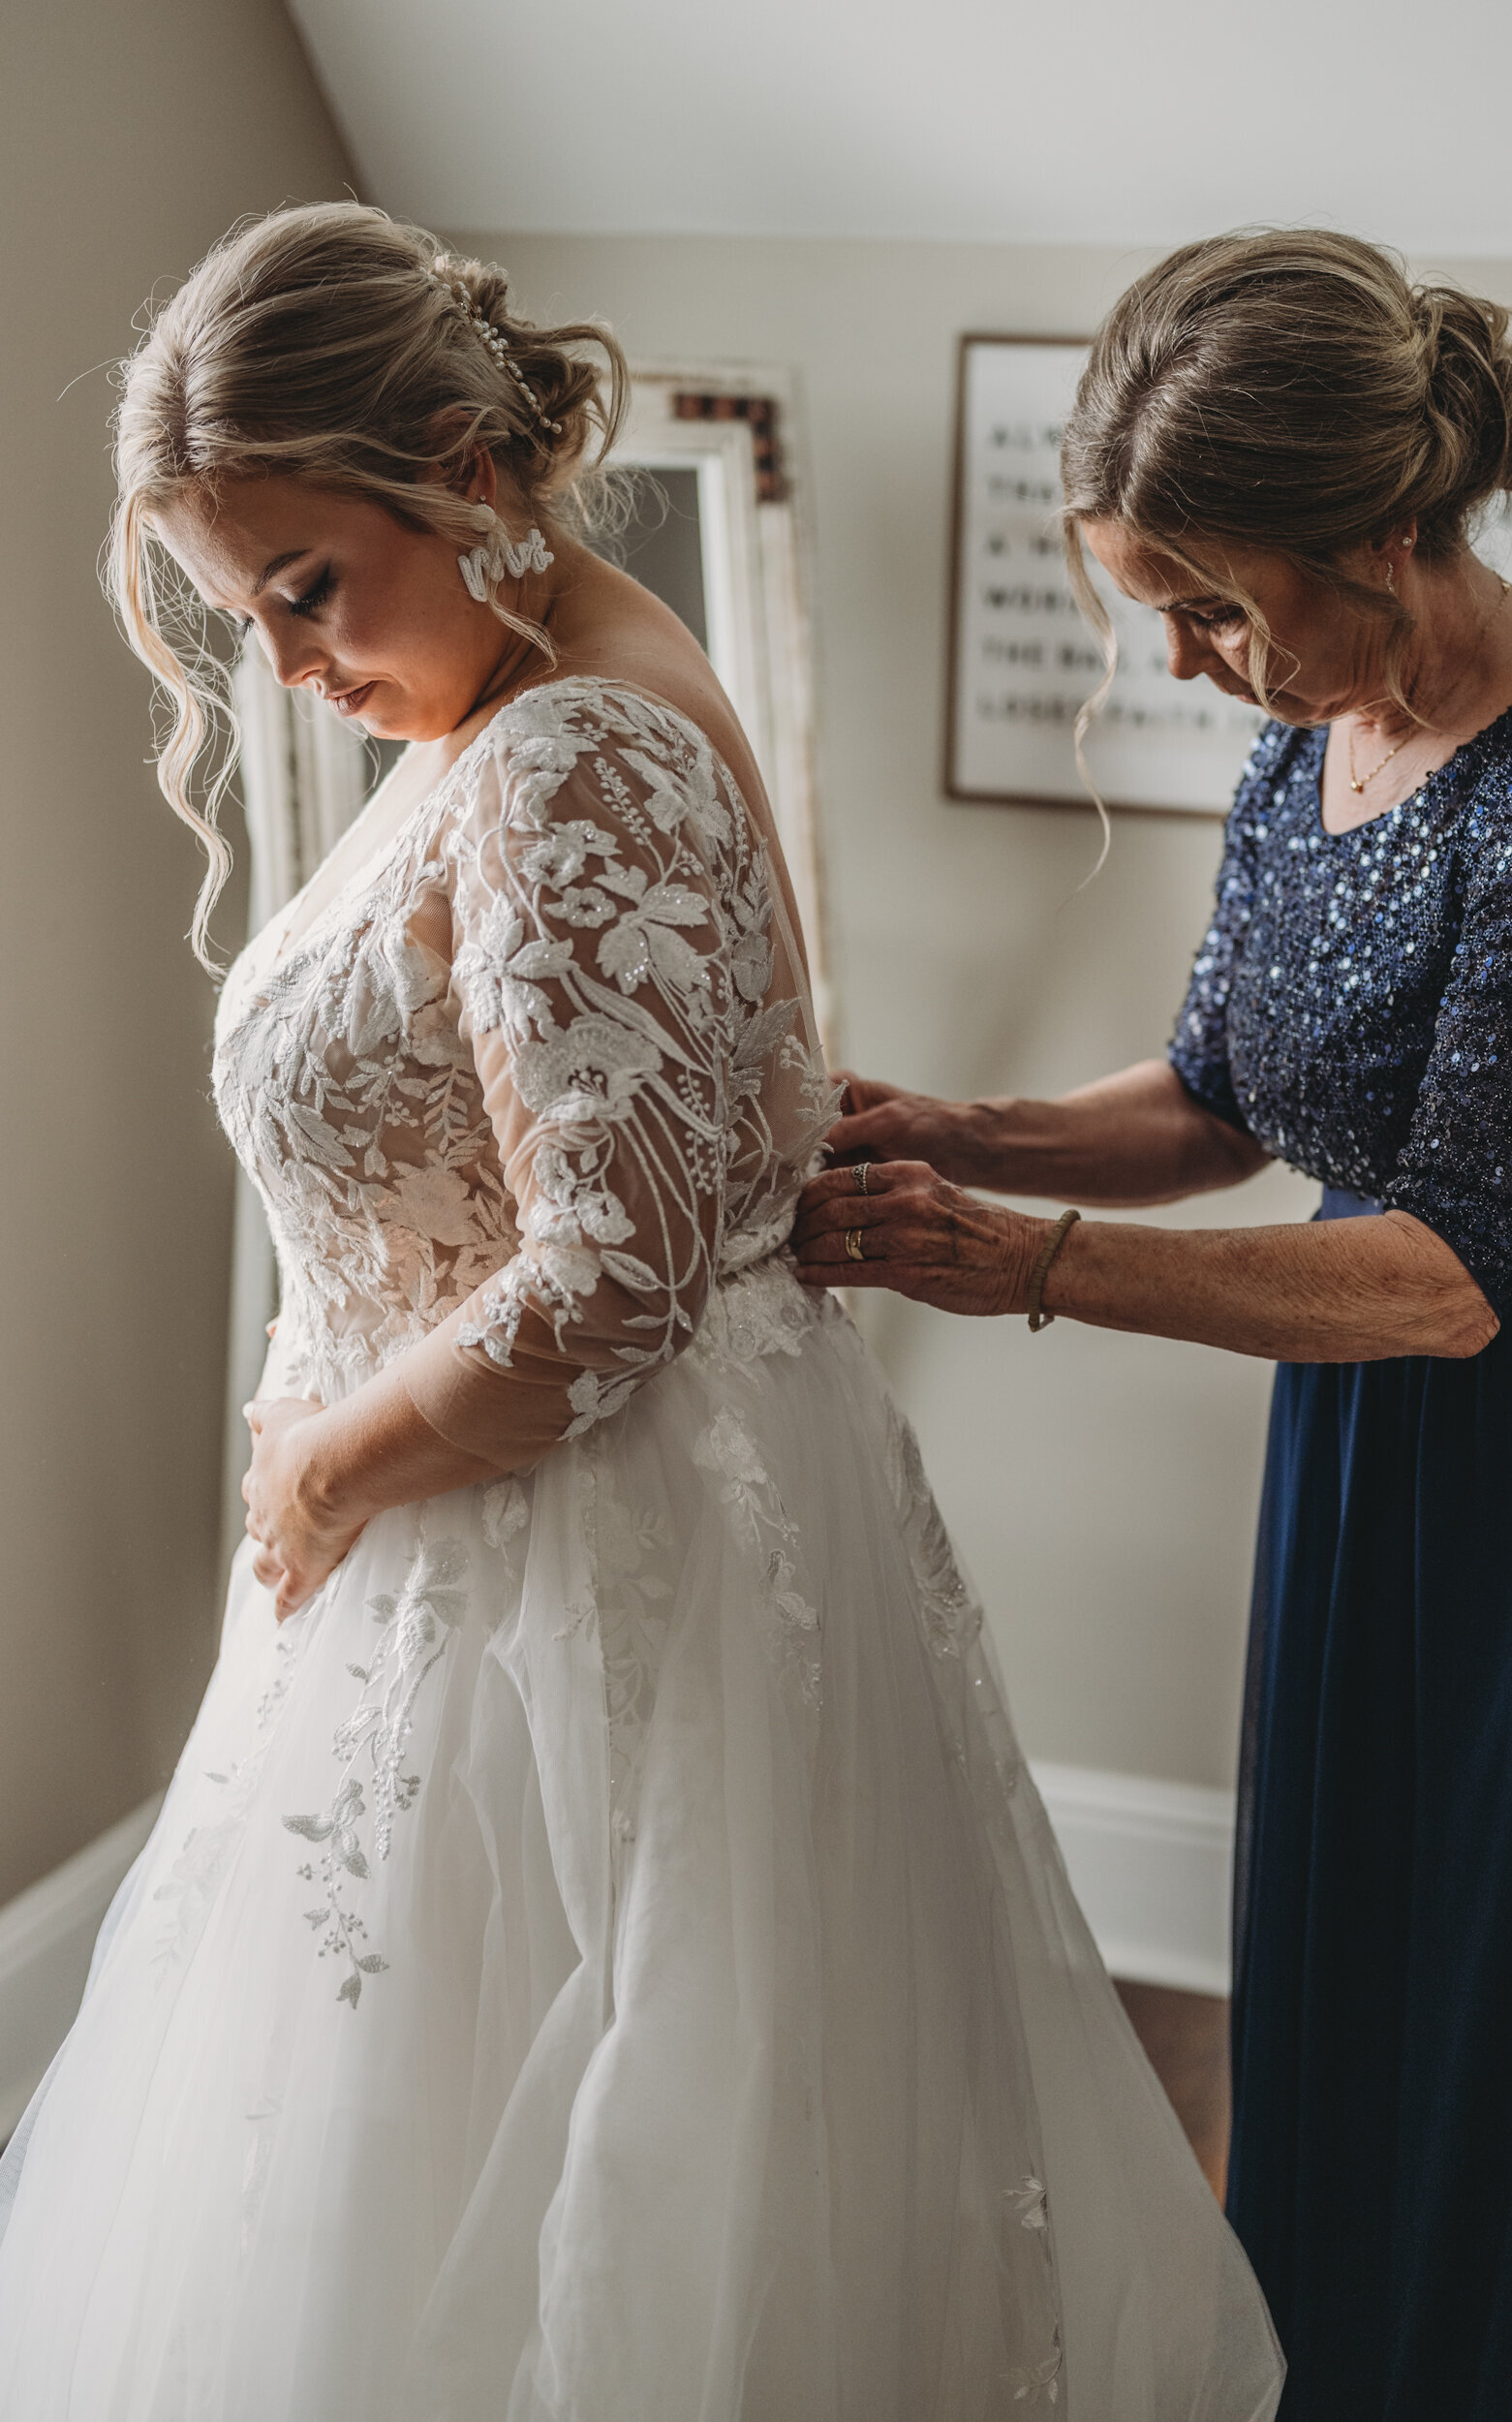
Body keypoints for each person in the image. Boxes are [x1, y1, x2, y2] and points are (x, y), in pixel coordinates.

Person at [0, 204, 1282, 2422]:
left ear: (464, 459)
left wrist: (319, 1455)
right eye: (245, 618)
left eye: (307, 585)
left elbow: (605, 1282)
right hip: (472, 1571)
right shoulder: (507, 693)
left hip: (549, 1578)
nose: (290, 664)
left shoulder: (573, 747)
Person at [793, 229, 1512, 2422]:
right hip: (1364, 1429)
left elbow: (1454, 1264)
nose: (1183, 655)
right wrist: (954, 1129)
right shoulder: (1312, 725)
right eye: (1152, 602)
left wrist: (1025, 1263)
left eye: (1216, 597)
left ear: (1386, 524)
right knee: (1347, 1938)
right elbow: (1228, 1101)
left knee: (1509, 1979)